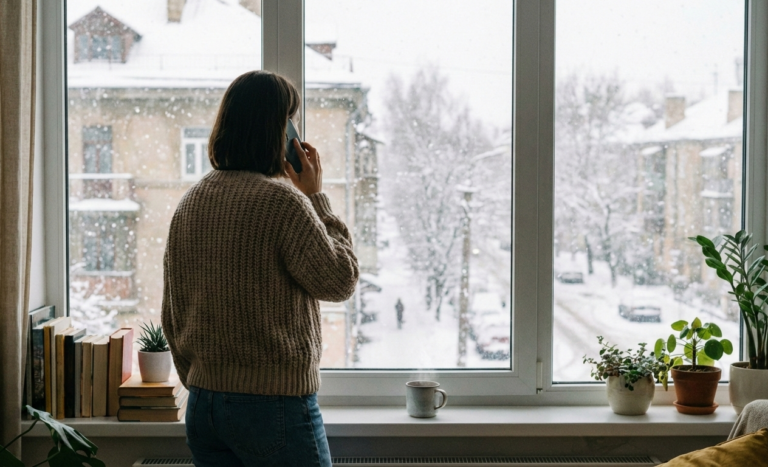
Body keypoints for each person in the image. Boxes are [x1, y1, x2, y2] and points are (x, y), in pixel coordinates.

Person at [161, 70, 359, 467]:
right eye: (290, 120)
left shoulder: (191, 202)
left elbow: (172, 314)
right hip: (273, 407)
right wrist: (315, 197)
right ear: (278, 131)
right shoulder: (282, 203)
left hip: (203, 408)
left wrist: (205, 382)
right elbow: (340, 280)